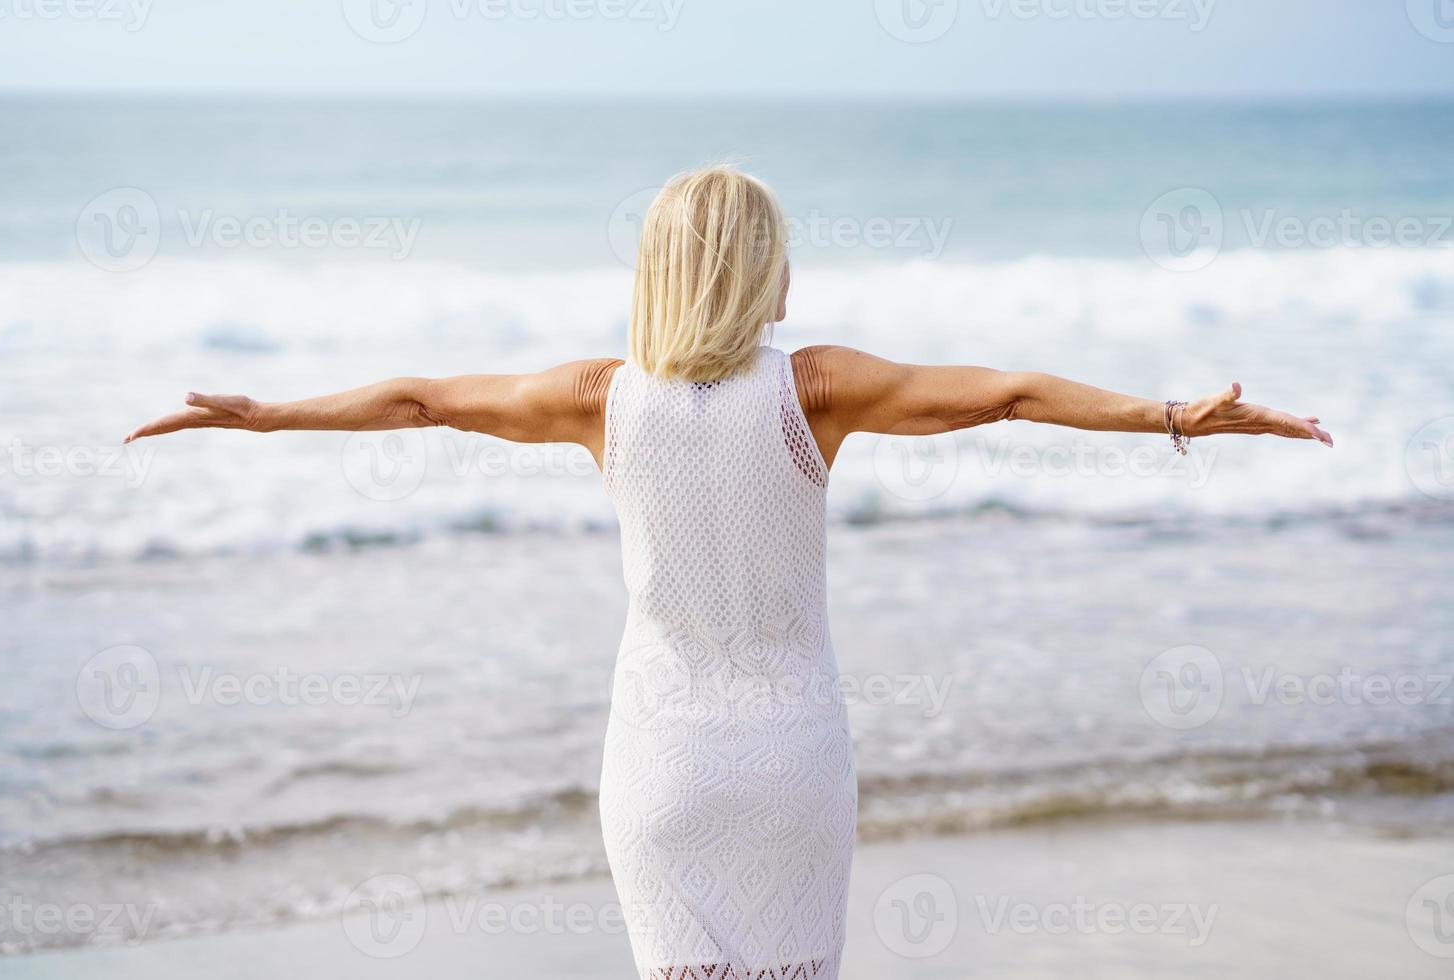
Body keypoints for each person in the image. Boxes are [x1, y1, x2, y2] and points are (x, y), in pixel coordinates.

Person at [126, 166, 1330, 980]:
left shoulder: (600, 397)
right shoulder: (815, 385)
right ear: (758, 271)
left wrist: (269, 415)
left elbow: (423, 398)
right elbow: (1012, 390)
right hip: (792, 761)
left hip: (659, 768)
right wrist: (1171, 413)